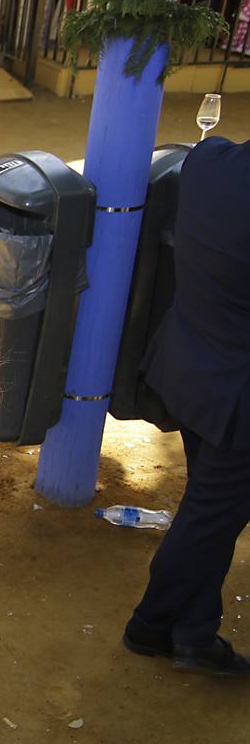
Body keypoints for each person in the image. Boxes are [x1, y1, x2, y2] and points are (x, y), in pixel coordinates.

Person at [123, 136, 250, 677]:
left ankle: (192, 631)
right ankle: (151, 627)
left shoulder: (209, 162)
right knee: (208, 520)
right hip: (237, 395)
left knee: (209, 508)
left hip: (191, 365)